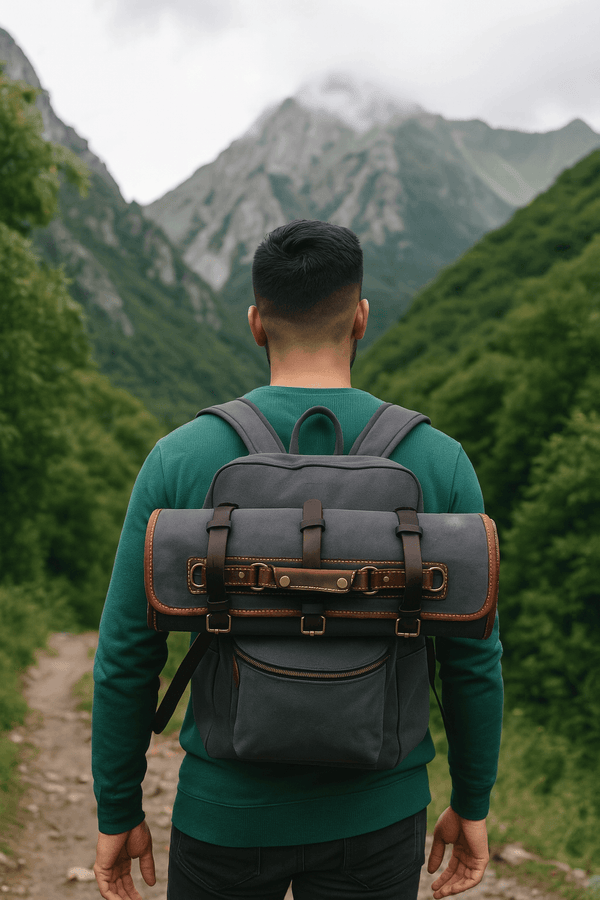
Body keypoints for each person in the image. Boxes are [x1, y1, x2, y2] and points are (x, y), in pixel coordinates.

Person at [92, 219, 503, 900]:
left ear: (256, 323)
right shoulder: (440, 461)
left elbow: (127, 652)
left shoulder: (181, 457)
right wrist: (474, 800)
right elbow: (473, 658)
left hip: (223, 816)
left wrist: (117, 809)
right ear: (361, 318)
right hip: (379, 816)